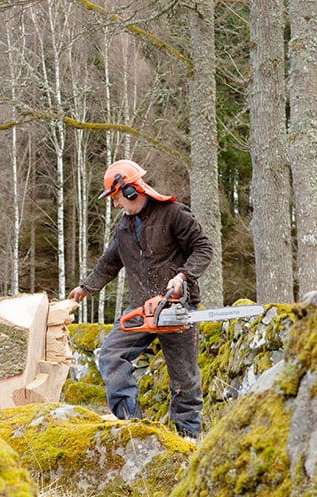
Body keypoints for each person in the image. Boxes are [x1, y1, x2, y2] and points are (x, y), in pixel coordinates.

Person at [68, 159, 213, 438]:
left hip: (175, 306)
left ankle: (189, 437)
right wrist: (86, 288)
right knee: (112, 355)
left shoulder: (173, 213)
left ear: (132, 190)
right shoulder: (124, 228)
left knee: (184, 379)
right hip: (141, 306)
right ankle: (130, 424)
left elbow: (203, 248)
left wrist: (182, 277)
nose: (117, 204)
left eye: (117, 197)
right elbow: (109, 263)